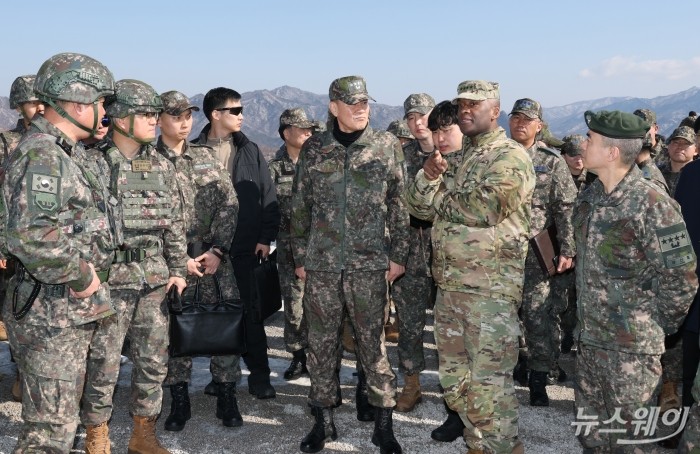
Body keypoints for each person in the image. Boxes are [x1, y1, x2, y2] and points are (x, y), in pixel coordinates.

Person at [406, 80, 534, 454]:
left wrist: (441, 194)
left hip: (490, 291)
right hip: (450, 288)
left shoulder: (508, 156)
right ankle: (476, 443)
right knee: (456, 381)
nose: (466, 110)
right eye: (462, 104)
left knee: (490, 384)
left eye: (474, 105)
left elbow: (486, 208)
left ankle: (502, 446)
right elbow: (416, 207)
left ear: (495, 112)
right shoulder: (458, 160)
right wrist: (429, 175)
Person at [2, 52, 118, 453]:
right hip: (52, 314)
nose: (104, 113)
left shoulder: (64, 152)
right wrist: (82, 275)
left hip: (65, 312)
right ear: (78, 102)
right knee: (49, 436)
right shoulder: (43, 155)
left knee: (59, 427)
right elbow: (32, 236)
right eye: (101, 103)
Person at [291, 75, 409, 453]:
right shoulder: (315, 149)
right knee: (321, 345)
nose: (361, 109)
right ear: (333, 107)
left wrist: (398, 257)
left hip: (370, 265)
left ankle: (383, 424)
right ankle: (323, 422)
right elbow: (300, 207)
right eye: (353, 103)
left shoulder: (385, 146)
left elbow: (399, 205)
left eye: (365, 103)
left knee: (373, 347)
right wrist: (300, 258)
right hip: (322, 266)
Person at [572, 110, 698, 451]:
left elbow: (682, 278)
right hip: (590, 345)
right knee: (591, 437)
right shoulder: (590, 197)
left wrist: (652, 326)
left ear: (612, 152)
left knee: (630, 443)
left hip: (631, 353)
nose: (583, 143)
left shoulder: (653, 203)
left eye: (590, 139)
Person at [80, 79, 188, 454]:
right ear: (120, 117)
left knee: (153, 362)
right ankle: (97, 434)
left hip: (153, 280)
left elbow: (174, 220)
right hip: (108, 282)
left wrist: (178, 268)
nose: (154, 121)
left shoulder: (159, 162)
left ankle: (143, 434)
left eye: (155, 114)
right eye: (145, 114)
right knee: (103, 364)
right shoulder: (91, 163)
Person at [156, 90, 243, 430]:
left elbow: (229, 204)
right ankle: (179, 400)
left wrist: (219, 250)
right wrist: (177, 259)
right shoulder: (147, 163)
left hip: (213, 258)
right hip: (170, 262)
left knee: (224, 324)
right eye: (176, 115)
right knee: (174, 331)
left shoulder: (206, 158)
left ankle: (226, 394)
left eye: (188, 115)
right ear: (159, 119)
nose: (184, 121)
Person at [194, 87, 280, 400]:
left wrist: (264, 238)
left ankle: (260, 376)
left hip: (244, 250)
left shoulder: (250, 150)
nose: (242, 116)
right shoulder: (193, 153)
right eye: (235, 110)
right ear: (216, 114)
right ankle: (222, 377)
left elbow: (266, 196)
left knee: (251, 317)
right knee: (215, 315)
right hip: (207, 253)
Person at [508, 98, 577, 406]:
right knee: (506, 316)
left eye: (527, 119)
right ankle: (517, 364)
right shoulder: (499, 156)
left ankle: (538, 378)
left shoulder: (552, 162)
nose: (520, 123)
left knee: (537, 316)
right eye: (515, 118)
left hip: (536, 255)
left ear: (539, 126)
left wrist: (567, 249)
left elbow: (565, 209)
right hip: (500, 254)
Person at [384, 93, 436, 415]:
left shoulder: (458, 153)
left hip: (451, 255)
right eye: (411, 117)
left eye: (423, 115)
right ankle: (412, 384)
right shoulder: (400, 157)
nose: (417, 123)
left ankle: (461, 392)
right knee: (411, 323)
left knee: (453, 328)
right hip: (412, 254)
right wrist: (398, 255)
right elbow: (395, 209)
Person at [0, 74, 44, 400]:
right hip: (13, 244)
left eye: (43, 101)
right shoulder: (6, 143)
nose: (39, 107)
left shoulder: (57, 142)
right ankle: (20, 373)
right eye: (32, 102)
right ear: (18, 104)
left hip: (46, 242)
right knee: (16, 312)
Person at [268, 108, 313, 381]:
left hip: (321, 247)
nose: (308, 133)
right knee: (294, 306)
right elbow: (268, 209)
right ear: (287, 133)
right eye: (302, 128)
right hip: (288, 249)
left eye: (310, 129)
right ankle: (298, 355)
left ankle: (322, 357)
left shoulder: (320, 165)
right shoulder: (275, 170)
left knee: (321, 306)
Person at [553, 135, 597, 355]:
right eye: (573, 154)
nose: (579, 160)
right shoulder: (556, 178)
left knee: (581, 298)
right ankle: (562, 336)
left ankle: (575, 336)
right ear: (564, 156)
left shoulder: (595, 180)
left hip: (588, 249)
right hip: (562, 247)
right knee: (560, 298)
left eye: (582, 154)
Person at [632, 108, 668, 193]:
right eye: (636, 127)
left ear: (656, 128)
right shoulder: (629, 154)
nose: (641, 130)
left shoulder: (670, 154)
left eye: (645, 127)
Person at [661, 126, 697, 197]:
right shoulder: (657, 173)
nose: (680, 146)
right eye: (676, 142)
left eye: (686, 143)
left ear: (696, 150)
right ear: (668, 146)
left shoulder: (696, 175)